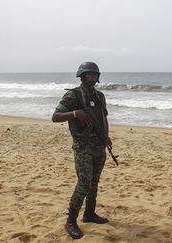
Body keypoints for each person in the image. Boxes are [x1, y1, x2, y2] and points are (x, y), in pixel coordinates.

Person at [52, 62, 112, 239]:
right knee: (84, 183)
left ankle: (89, 214)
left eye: (94, 74)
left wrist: (106, 136)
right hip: (83, 146)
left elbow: (103, 118)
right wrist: (75, 114)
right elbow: (55, 117)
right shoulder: (73, 95)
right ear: (82, 76)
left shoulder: (100, 96)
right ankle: (70, 221)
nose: (92, 77)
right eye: (89, 74)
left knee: (94, 182)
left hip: (99, 145)